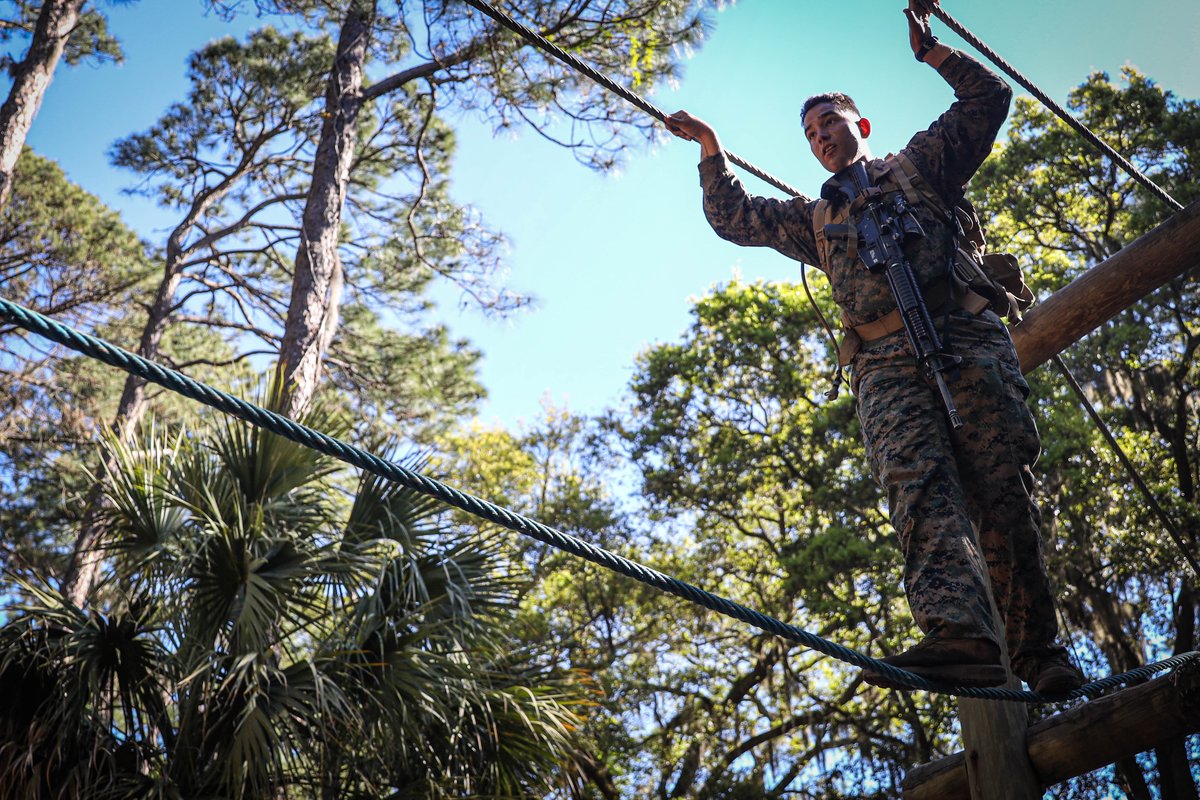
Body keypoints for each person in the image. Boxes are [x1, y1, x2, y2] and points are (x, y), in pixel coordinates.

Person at [663, 0, 1083, 693]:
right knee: (918, 491)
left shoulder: (924, 165)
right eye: (810, 133)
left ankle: (1039, 656)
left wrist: (934, 53)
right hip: (885, 368)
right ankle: (961, 638)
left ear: (860, 126)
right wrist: (711, 146)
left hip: (965, 340)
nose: (822, 135)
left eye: (831, 122)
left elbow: (990, 97)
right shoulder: (814, 219)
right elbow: (734, 218)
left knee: (1002, 492)